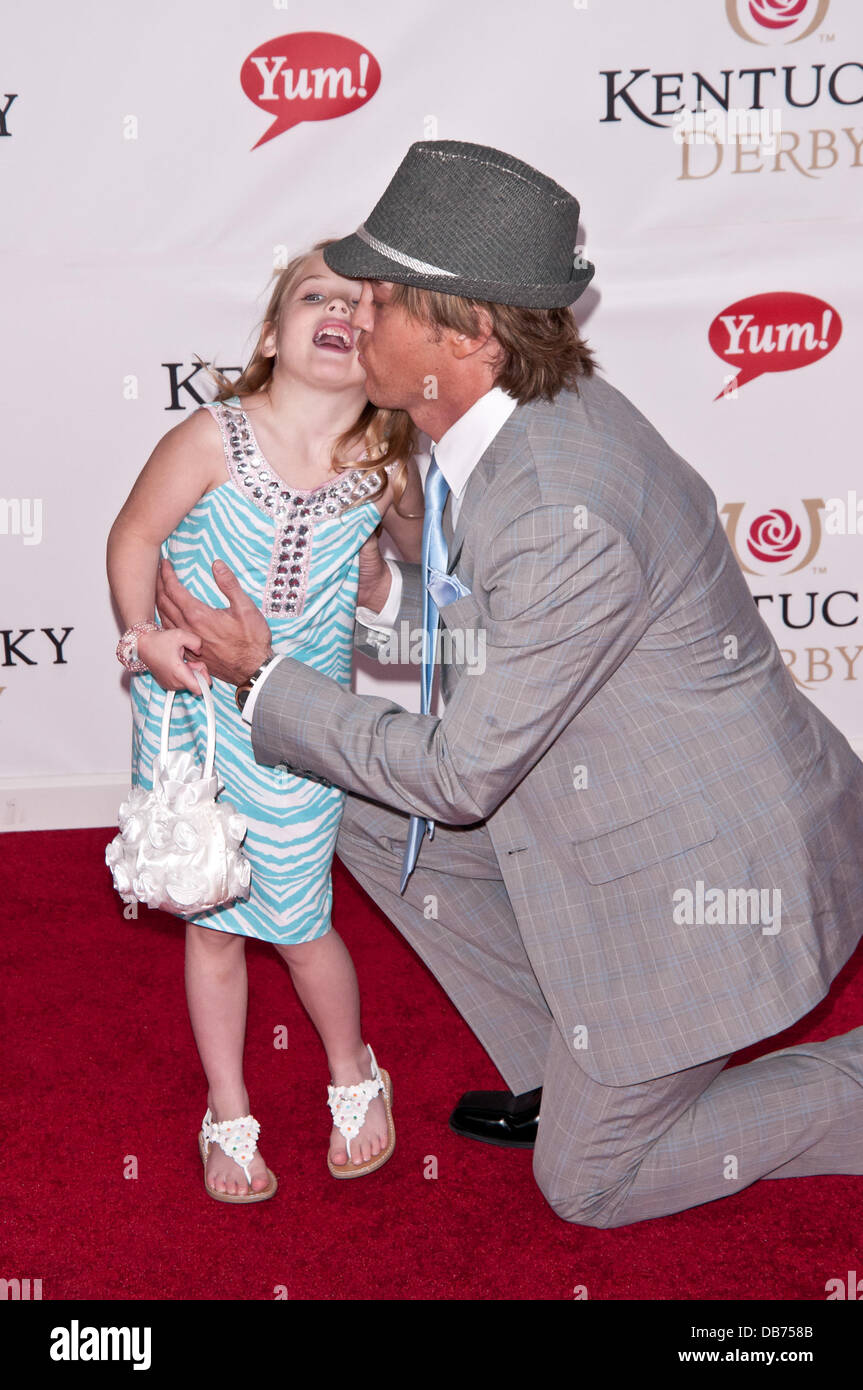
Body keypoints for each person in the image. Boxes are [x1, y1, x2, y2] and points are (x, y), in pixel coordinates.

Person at [154, 140, 863, 1228]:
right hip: (611, 790)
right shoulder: (495, 420)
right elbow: (469, 609)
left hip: (717, 882)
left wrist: (265, 676)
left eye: (378, 297)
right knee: (333, 798)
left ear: (467, 332)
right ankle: (570, 1062)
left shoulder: (553, 501)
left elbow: (459, 772)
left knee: (585, 1184)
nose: (349, 312)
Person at [107, 240, 424, 1201]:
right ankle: (229, 1111)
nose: (338, 312)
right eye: (314, 295)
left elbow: (395, 577)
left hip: (297, 726)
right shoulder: (210, 436)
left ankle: (352, 1069)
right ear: (274, 331)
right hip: (192, 721)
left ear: (384, 345)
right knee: (211, 923)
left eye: (361, 304)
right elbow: (135, 534)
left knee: (300, 919)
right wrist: (138, 638)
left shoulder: (383, 459)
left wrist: (379, 569)